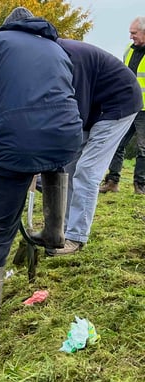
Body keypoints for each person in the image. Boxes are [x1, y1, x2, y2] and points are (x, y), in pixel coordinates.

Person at [0, 7, 82, 336]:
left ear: (9, 26)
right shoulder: (56, 47)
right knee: (54, 161)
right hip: (65, 135)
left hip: (16, 142)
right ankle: (54, 236)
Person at [40, 38, 142, 255]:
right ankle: (61, 230)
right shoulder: (49, 57)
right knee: (68, 168)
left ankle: (76, 238)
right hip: (97, 108)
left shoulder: (70, 58)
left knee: (87, 170)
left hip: (119, 105)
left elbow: (78, 109)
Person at [99, 16, 145, 194]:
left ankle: (140, 186)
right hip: (128, 106)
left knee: (143, 148)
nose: (131, 37)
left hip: (144, 110)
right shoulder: (129, 49)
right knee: (116, 142)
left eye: (134, 33)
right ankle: (112, 182)